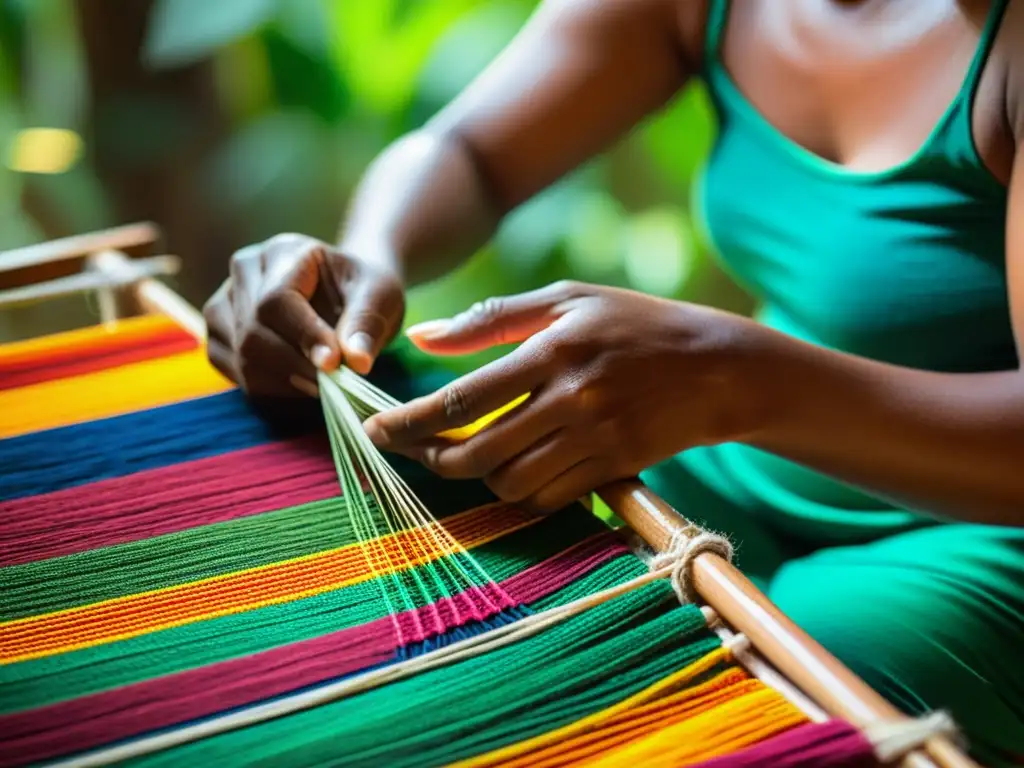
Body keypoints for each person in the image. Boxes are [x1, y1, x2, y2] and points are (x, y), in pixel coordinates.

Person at [202, 0, 1024, 762]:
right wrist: (367, 259)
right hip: (742, 456)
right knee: (440, 512)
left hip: (986, 519)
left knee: (798, 677)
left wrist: (735, 380)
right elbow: (470, 152)